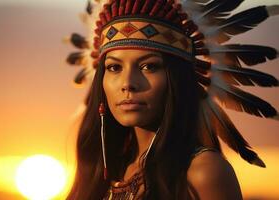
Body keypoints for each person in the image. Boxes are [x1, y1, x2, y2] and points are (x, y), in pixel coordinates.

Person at [65, 0, 279, 199]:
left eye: (149, 66)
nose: (127, 83)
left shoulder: (203, 172)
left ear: (177, 80)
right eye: (114, 67)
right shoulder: (102, 170)